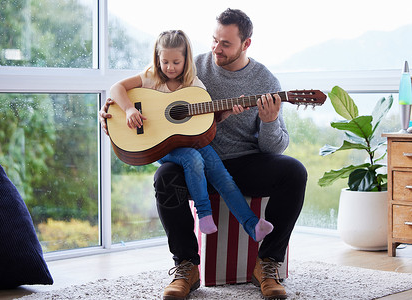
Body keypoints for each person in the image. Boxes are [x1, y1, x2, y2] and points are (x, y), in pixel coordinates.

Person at [99, 9, 307, 300]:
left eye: (225, 44)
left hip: (244, 162)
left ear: (246, 44)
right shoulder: (191, 66)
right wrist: (117, 114)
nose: (216, 49)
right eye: (214, 40)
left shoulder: (265, 81)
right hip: (193, 159)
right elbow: (147, 91)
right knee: (165, 177)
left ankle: (268, 263)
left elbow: (274, 148)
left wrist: (270, 120)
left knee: (294, 171)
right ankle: (186, 266)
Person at [109, 30, 274, 241]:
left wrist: (228, 112)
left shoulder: (194, 86)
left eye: (176, 62)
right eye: (164, 61)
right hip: (160, 145)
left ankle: (253, 225)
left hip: (190, 141)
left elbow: (206, 121)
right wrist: (130, 109)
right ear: (157, 58)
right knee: (192, 158)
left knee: (223, 176)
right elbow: (117, 88)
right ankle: (204, 214)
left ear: (186, 60)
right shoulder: (150, 77)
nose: (169, 67)